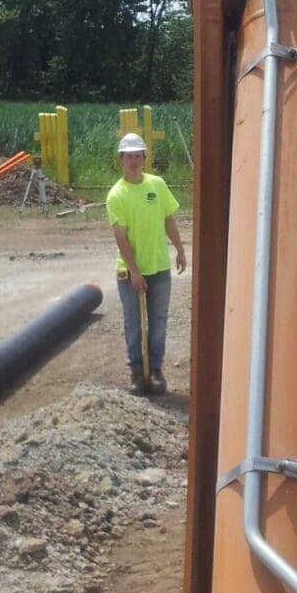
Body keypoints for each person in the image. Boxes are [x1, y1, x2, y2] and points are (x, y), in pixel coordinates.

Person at [106, 132, 186, 396]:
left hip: (159, 268)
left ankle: (156, 371)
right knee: (134, 323)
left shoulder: (157, 185)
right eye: (129, 156)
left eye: (138, 155)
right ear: (121, 159)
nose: (133, 160)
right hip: (130, 272)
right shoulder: (117, 195)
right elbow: (120, 236)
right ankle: (137, 373)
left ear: (144, 158)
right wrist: (135, 272)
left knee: (159, 320)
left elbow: (169, 219)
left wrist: (180, 249)